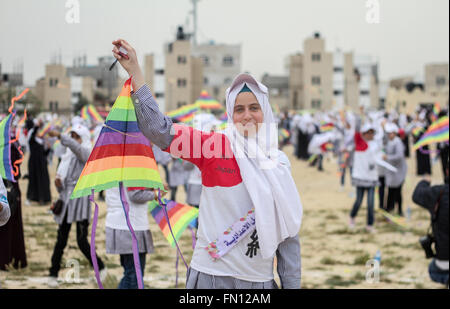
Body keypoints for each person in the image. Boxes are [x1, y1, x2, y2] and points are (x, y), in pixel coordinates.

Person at [112, 39, 302, 289]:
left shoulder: (279, 165)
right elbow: (158, 130)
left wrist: (291, 284)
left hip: (258, 282)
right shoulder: (212, 146)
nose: (247, 115)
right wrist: (135, 72)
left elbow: (288, 235)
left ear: (265, 111)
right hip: (211, 277)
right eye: (239, 109)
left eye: (254, 108)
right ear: (230, 114)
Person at [47, 125, 106, 287]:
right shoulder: (68, 156)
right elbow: (63, 183)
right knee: (61, 239)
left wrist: (61, 135)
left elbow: (77, 148)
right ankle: (53, 273)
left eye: (76, 136)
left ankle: (100, 267)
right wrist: (58, 183)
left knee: (81, 241)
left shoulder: (87, 153)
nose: (73, 139)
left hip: (80, 202)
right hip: (66, 201)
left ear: (83, 137)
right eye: (71, 135)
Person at [105, 186, 157, 289]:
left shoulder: (119, 170)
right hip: (131, 226)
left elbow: (129, 188)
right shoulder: (131, 170)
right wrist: (156, 194)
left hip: (123, 224)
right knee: (133, 277)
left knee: (131, 274)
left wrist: (150, 187)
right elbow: (135, 195)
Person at [412, 169, 449, 287]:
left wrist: (424, 181)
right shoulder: (439, 192)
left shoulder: (439, 192)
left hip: (444, 262)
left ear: (447, 172)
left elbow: (417, 194)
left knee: (434, 269)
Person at [0, 141, 27, 270]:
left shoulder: (10, 145)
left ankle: (9, 258)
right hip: (10, 188)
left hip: (10, 190)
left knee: (10, 225)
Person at [349, 123, 379, 232]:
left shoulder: (375, 144)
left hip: (372, 178)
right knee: (359, 201)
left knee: (370, 203)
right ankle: (352, 216)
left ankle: (370, 225)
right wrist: (359, 117)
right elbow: (356, 132)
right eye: (369, 133)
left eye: (372, 133)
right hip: (360, 177)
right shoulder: (360, 143)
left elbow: (378, 156)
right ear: (364, 134)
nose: (371, 135)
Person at [383, 123, 407, 216]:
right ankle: (389, 208)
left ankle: (399, 210)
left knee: (397, 191)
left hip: (399, 171)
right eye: (388, 133)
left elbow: (399, 156)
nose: (389, 135)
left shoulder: (398, 142)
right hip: (391, 171)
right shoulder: (389, 141)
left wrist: (387, 157)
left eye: (391, 133)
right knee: (390, 190)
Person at [26, 119, 51, 205]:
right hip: (34, 163)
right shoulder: (32, 140)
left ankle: (43, 199)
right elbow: (33, 135)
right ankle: (30, 198)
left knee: (43, 181)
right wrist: (37, 126)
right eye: (37, 132)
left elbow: (44, 153)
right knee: (33, 180)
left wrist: (48, 148)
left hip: (42, 164)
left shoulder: (41, 141)